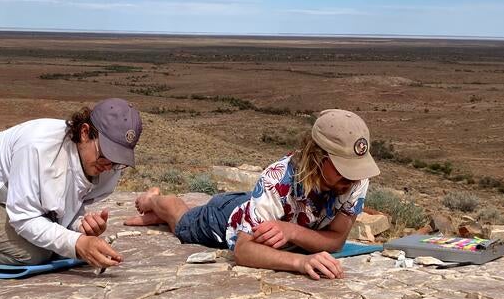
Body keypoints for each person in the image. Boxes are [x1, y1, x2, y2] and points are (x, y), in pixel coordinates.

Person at [125, 109, 379, 280]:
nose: (352, 179)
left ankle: (160, 210)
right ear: (317, 157)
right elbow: (244, 250)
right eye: (344, 170)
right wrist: (300, 263)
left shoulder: (355, 179)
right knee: (182, 221)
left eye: (356, 170)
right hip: (224, 218)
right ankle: (154, 199)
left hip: (261, 211)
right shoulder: (277, 180)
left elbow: (336, 240)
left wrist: (290, 231)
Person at [0, 98, 142, 269]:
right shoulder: (38, 147)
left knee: (54, 245)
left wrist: (81, 226)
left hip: (6, 199)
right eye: (106, 155)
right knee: (33, 254)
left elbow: (60, 209)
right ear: (85, 133)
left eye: (118, 160)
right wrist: (76, 242)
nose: (110, 166)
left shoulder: (106, 165)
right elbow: (24, 218)